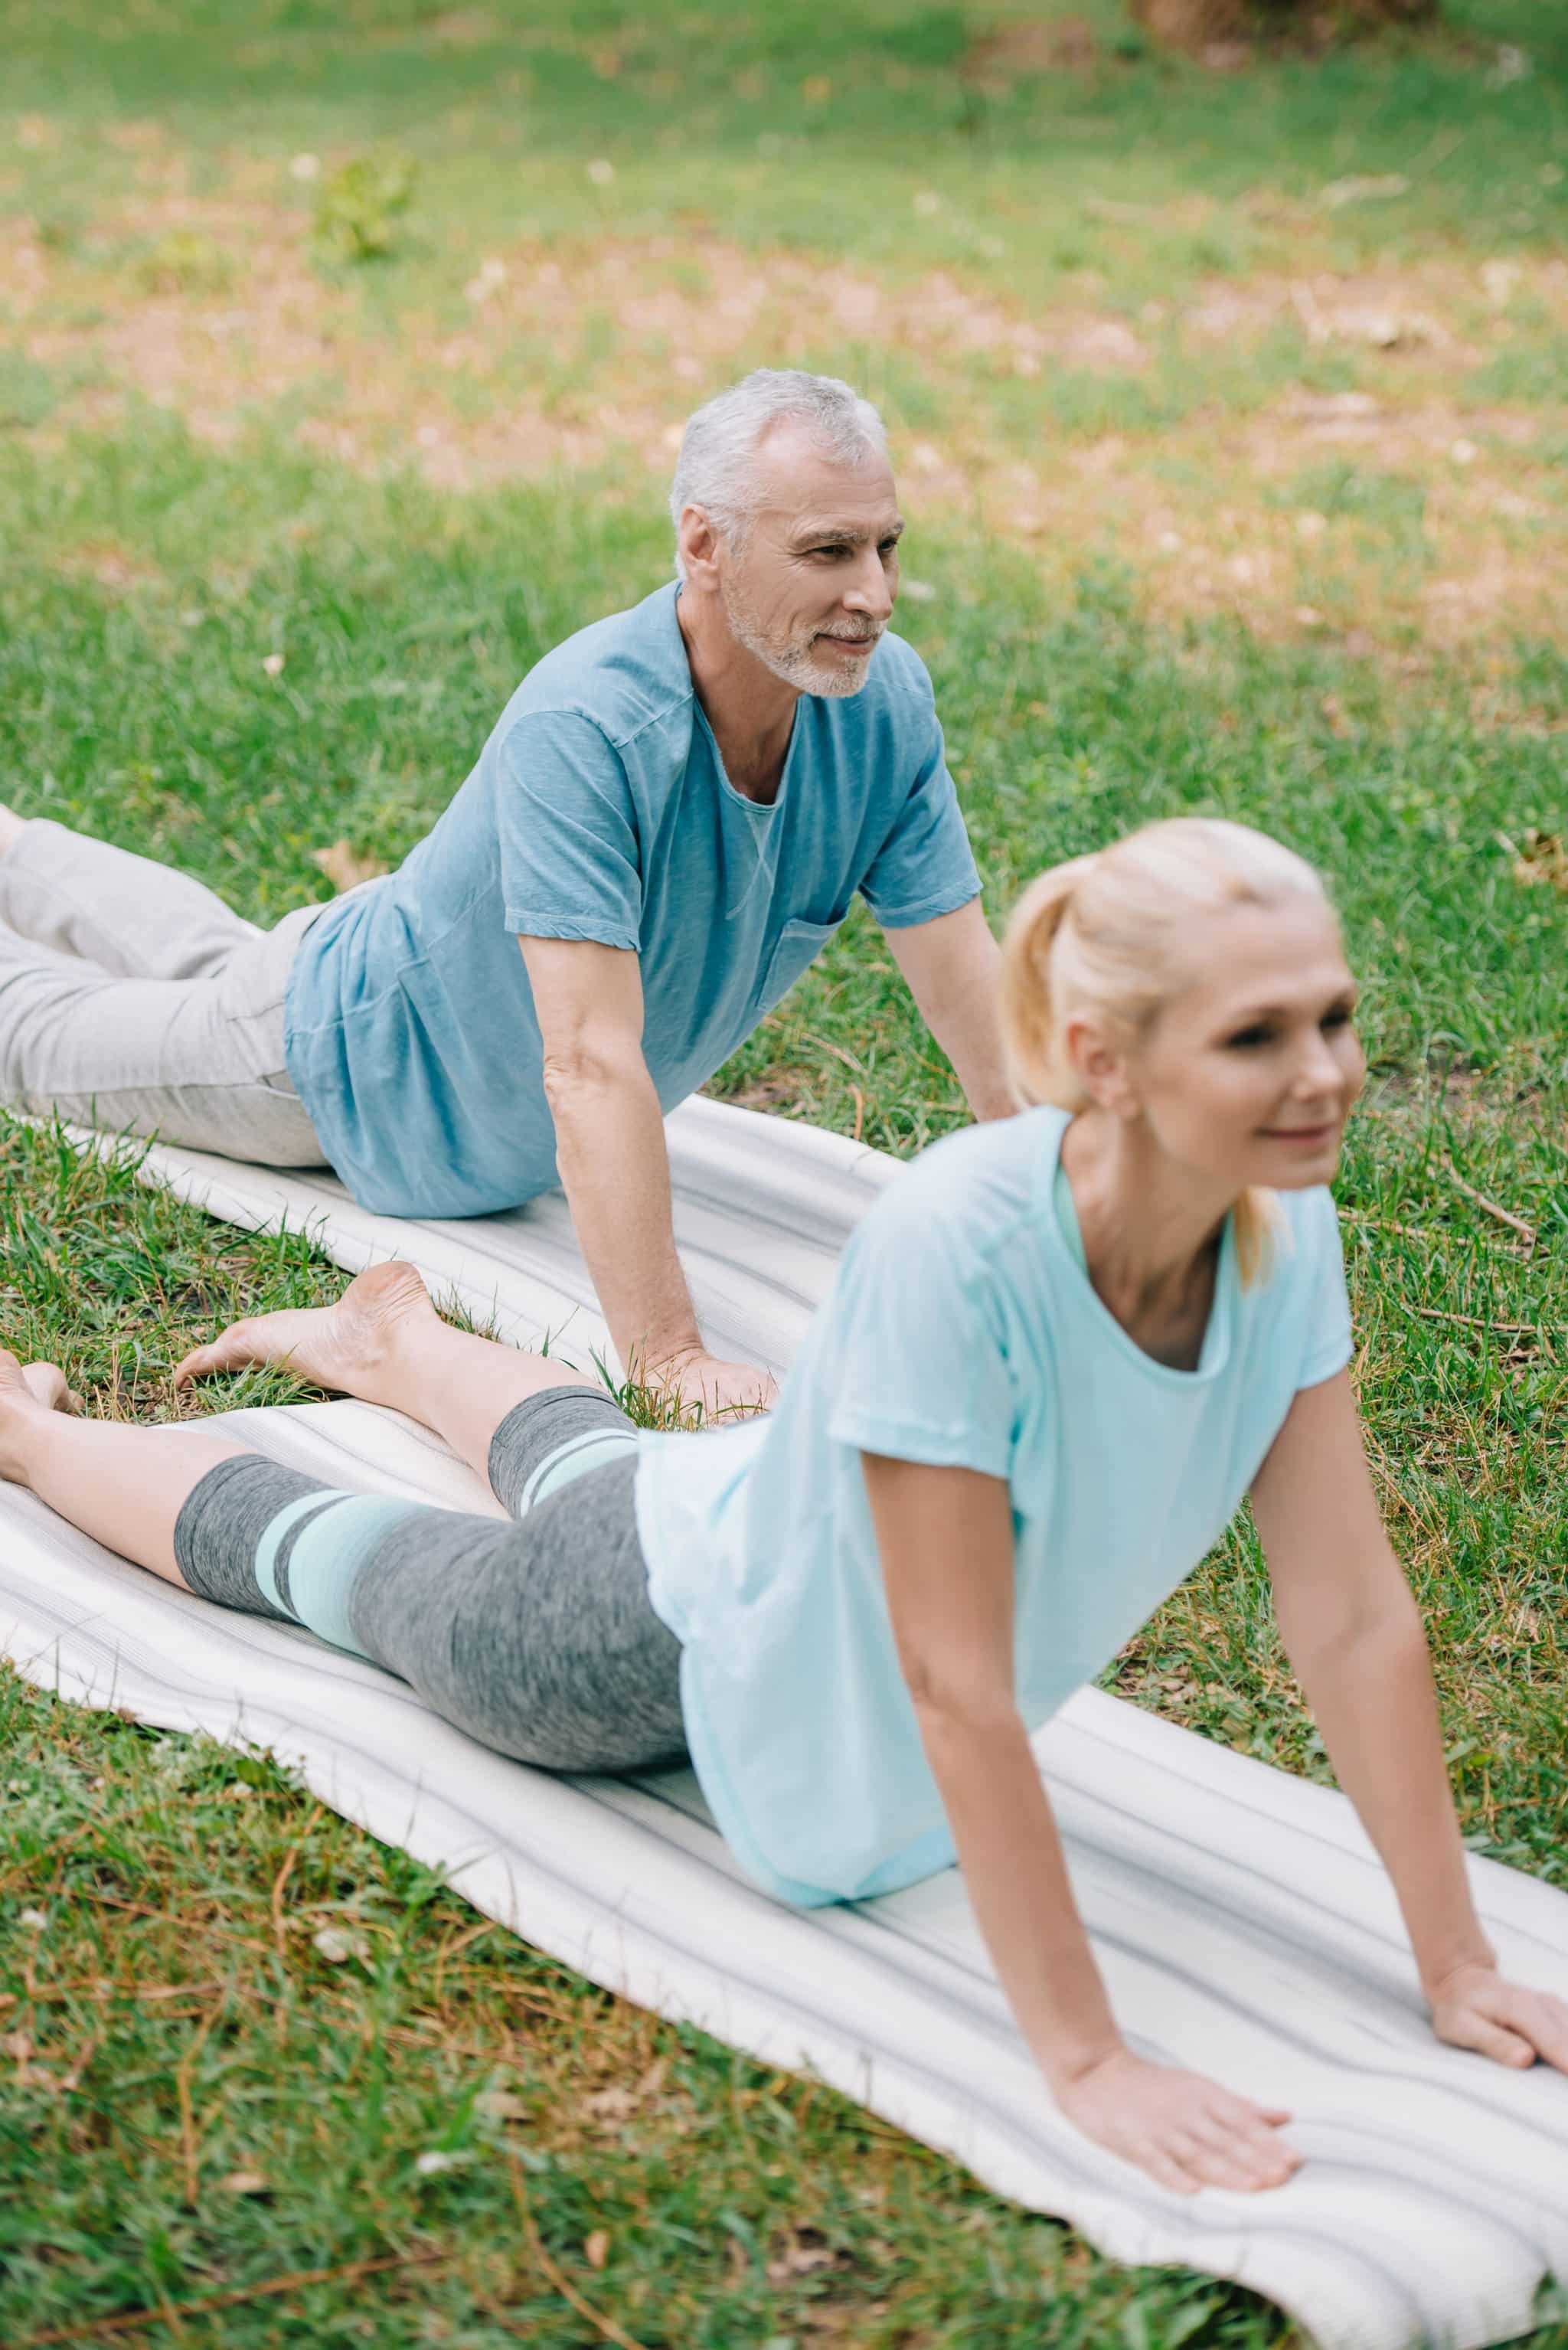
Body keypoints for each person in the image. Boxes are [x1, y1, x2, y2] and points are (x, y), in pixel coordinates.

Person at [4, 815, 1563, 2197]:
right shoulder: (966, 1242)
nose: (1327, 1073)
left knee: (608, 1478)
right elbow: (954, 1679)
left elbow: (1350, 1614)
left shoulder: (1281, 1233)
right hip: (647, 1626)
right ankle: (34, 1433)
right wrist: (1087, 2058)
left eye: (1335, 1017)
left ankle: (395, 1341)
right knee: (364, 1569)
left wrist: (1453, 1961)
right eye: (1257, 1037)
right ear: (1102, 1059)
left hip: (737, 1506)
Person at [0, 370, 1011, 1417]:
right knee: (36, 1035)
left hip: (348, 961)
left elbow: (970, 994)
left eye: (887, 546)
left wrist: (1086, 1235)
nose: (878, 595)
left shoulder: (883, 706)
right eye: (829, 553)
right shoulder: (587, 728)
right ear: (704, 544)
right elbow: (586, 1064)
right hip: (329, 1063)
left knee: (209, 958)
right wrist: (667, 1357)